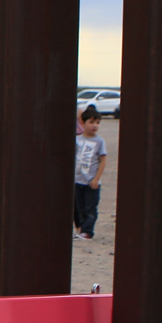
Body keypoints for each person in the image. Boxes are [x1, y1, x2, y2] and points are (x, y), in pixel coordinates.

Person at [73, 103, 107, 240]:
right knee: (79, 207)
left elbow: (103, 160)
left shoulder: (99, 141)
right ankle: (80, 230)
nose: (95, 125)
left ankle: (88, 231)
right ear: (82, 122)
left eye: (97, 122)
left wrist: (96, 179)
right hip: (78, 180)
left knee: (90, 208)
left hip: (91, 181)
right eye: (91, 122)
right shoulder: (77, 140)